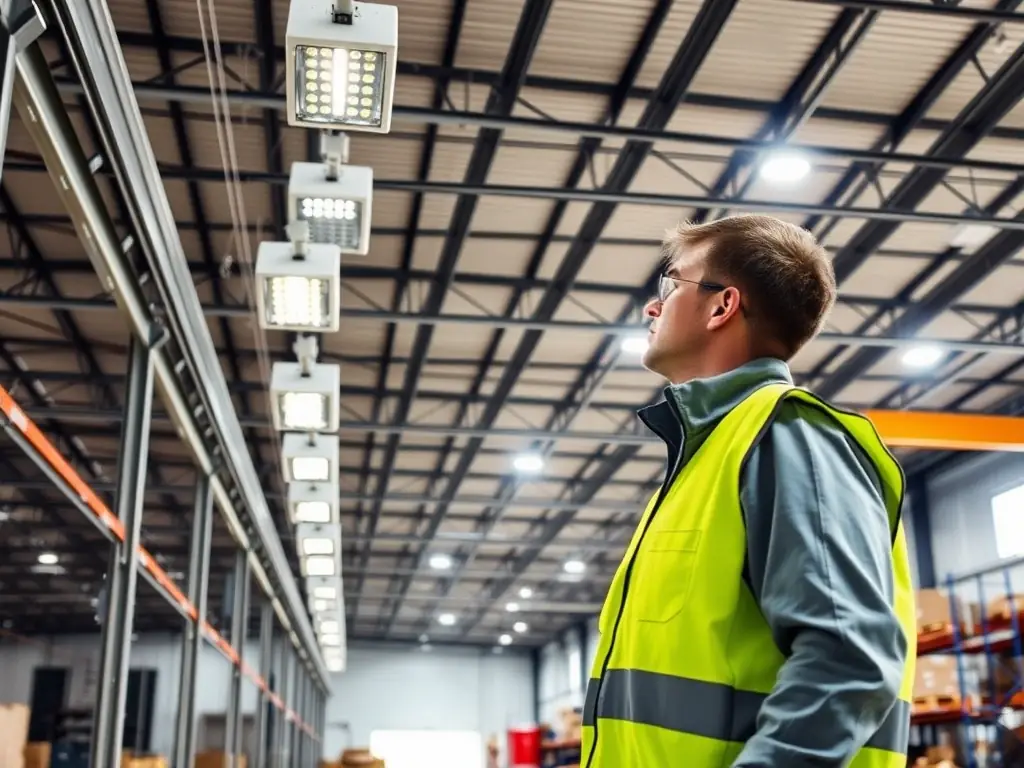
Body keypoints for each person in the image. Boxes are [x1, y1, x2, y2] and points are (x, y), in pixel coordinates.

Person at [580, 214, 916, 768]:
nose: (652, 306)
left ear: (722, 306)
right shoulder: (711, 456)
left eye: (672, 283)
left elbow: (849, 658)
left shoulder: (789, 437)